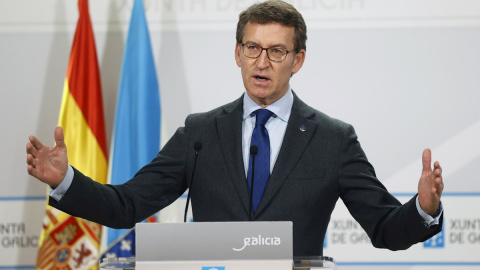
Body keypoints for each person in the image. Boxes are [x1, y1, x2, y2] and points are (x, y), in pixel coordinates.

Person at [26, 0, 443, 257]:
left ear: (297, 60)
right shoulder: (200, 133)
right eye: (252, 48)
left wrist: (423, 208)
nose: (262, 62)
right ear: (238, 54)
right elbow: (126, 205)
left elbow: (386, 229)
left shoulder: (333, 139)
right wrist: (66, 181)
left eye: (276, 51)